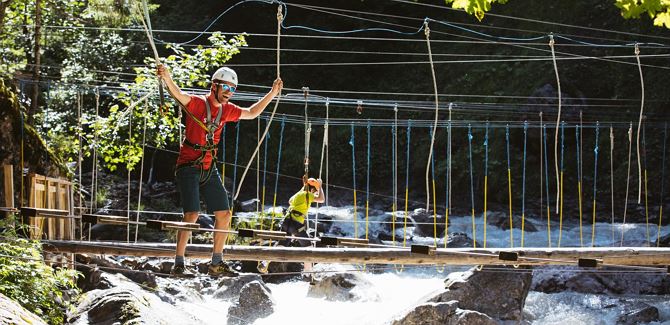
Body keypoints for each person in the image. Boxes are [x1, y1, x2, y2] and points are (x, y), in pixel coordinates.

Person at [157, 64, 282, 276]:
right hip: (188, 166)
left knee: (224, 214)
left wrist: (272, 93)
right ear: (214, 86)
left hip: (208, 166)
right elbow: (177, 93)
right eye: (225, 87)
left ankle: (216, 262)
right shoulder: (197, 103)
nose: (228, 93)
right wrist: (166, 76)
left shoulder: (228, 110)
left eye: (232, 89)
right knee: (192, 214)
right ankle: (179, 262)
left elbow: (251, 113)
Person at [257, 177, 325, 275]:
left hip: (286, 222)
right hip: (295, 224)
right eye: (315, 191)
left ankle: (265, 262)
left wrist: (304, 187)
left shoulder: (299, 194)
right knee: (308, 247)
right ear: (312, 189)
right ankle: (307, 273)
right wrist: (320, 186)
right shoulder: (307, 194)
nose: (315, 193)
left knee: (281, 245)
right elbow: (321, 199)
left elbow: (290, 201)